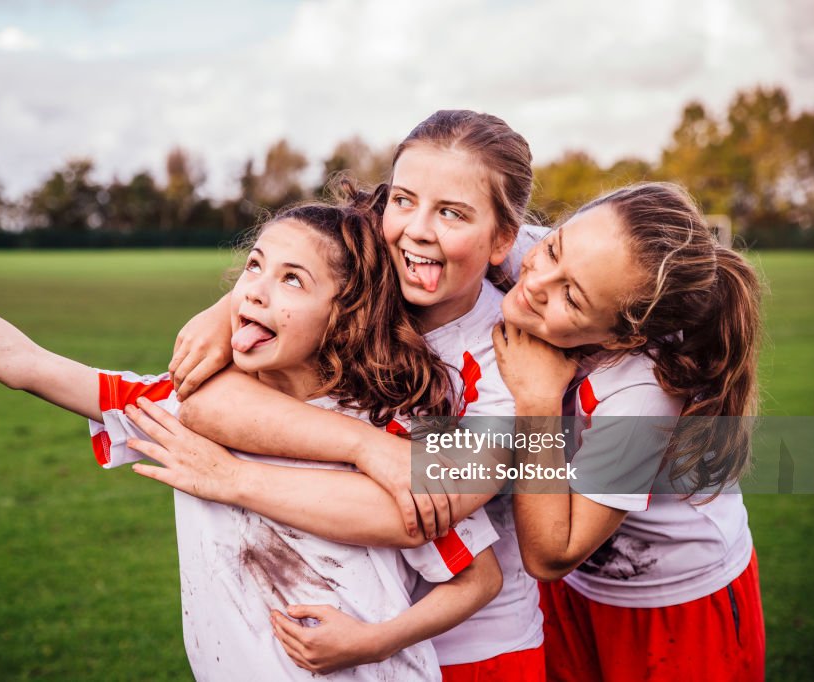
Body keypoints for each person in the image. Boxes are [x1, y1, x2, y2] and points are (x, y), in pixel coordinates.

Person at [0, 167, 504, 681]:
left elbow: (479, 571)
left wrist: (371, 641)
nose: (257, 290)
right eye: (254, 269)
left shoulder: (403, 426)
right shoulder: (183, 406)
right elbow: (22, 362)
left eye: (293, 280)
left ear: (347, 313)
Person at [129, 110, 548, 680]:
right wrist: (224, 309)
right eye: (403, 201)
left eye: (450, 213)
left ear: (504, 238)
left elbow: (426, 505)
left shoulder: (515, 352)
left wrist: (234, 479)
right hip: (337, 632)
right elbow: (206, 396)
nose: (417, 228)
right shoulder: (370, 272)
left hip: (476, 649)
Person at [493, 182, 765, 681]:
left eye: (570, 297)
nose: (535, 282)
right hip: (578, 587)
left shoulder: (644, 393)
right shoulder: (561, 256)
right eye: (552, 246)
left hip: (674, 601)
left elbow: (553, 554)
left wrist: (538, 403)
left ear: (626, 336)